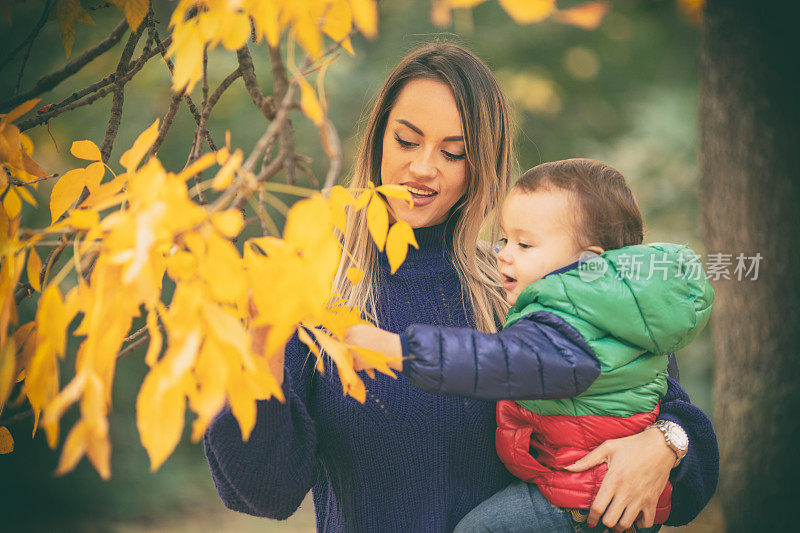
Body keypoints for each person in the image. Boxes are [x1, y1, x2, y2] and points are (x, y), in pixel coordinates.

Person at [203, 43, 719, 532]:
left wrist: (666, 445)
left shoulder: (521, 282)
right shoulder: (318, 285)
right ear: (378, 137)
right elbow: (263, 495)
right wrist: (260, 341)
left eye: (453, 153)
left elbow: (669, 429)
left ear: (482, 167)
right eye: (406, 141)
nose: (422, 168)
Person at [345, 158, 714, 532]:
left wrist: (401, 351)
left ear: (589, 263)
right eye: (504, 239)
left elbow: (500, 362)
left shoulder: (570, 329)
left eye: (524, 244)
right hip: (597, 498)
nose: (504, 254)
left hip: (584, 503)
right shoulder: (627, 319)